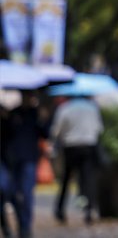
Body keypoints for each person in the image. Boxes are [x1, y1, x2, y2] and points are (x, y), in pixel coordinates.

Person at [49, 93, 104, 226]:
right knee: (87, 179)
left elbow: (56, 130)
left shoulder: (65, 108)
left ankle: (60, 210)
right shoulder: (92, 108)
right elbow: (99, 129)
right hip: (88, 146)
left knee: (66, 179)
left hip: (71, 147)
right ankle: (88, 211)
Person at [1, 91, 49, 238]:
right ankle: (11, 226)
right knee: (9, 193)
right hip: (12, 160)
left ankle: (25, 228)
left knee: (27, 195)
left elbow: (45, 134)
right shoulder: (12, 114)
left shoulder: (36, 114)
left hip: (29, 159)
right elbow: (5, 135)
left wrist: (44, 120)